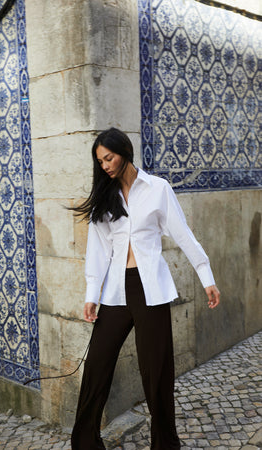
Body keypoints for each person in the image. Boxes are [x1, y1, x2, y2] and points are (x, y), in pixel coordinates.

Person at [70, 128, 220, 450]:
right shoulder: (105, 197)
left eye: (108, 158)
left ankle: (165, 445)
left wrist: (206, 277)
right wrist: (91, 295)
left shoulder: (157, 189)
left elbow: (183, 234)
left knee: (156, 373)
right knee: (96, 365)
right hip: (114, 291)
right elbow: (98, 250)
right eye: (100, 161)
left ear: (124, 151)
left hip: (149, 288)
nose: (105, 166)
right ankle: (84, 442)